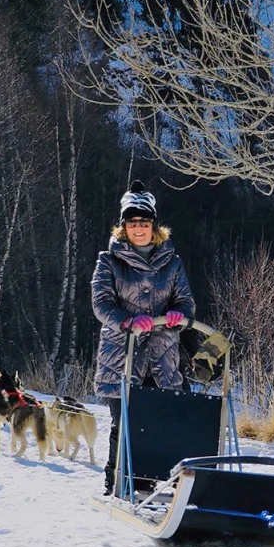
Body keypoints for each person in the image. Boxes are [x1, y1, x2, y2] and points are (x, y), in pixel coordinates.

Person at [92, 180, 196, 495]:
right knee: (123, 423)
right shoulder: (108, 261)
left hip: (163, 356)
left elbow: (186, 301)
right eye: (133, 222)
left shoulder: (173, 262)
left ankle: (153, 482)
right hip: (122, 355)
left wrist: (180, 315)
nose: (139, 228)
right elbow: (101, 304)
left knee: (165, 421)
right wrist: (129, 321)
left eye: (145, 222)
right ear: (124, 226)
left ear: (154, 225)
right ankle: (116, 484)